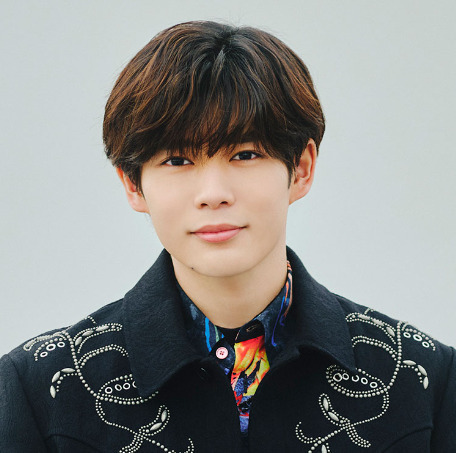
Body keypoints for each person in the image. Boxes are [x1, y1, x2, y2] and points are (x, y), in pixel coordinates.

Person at [0, 20, 455, 453]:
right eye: (177, 161)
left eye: (245, 154)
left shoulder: (423, 380)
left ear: (301, 168)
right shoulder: (40, 388)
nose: (213, 194)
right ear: (133, 184)